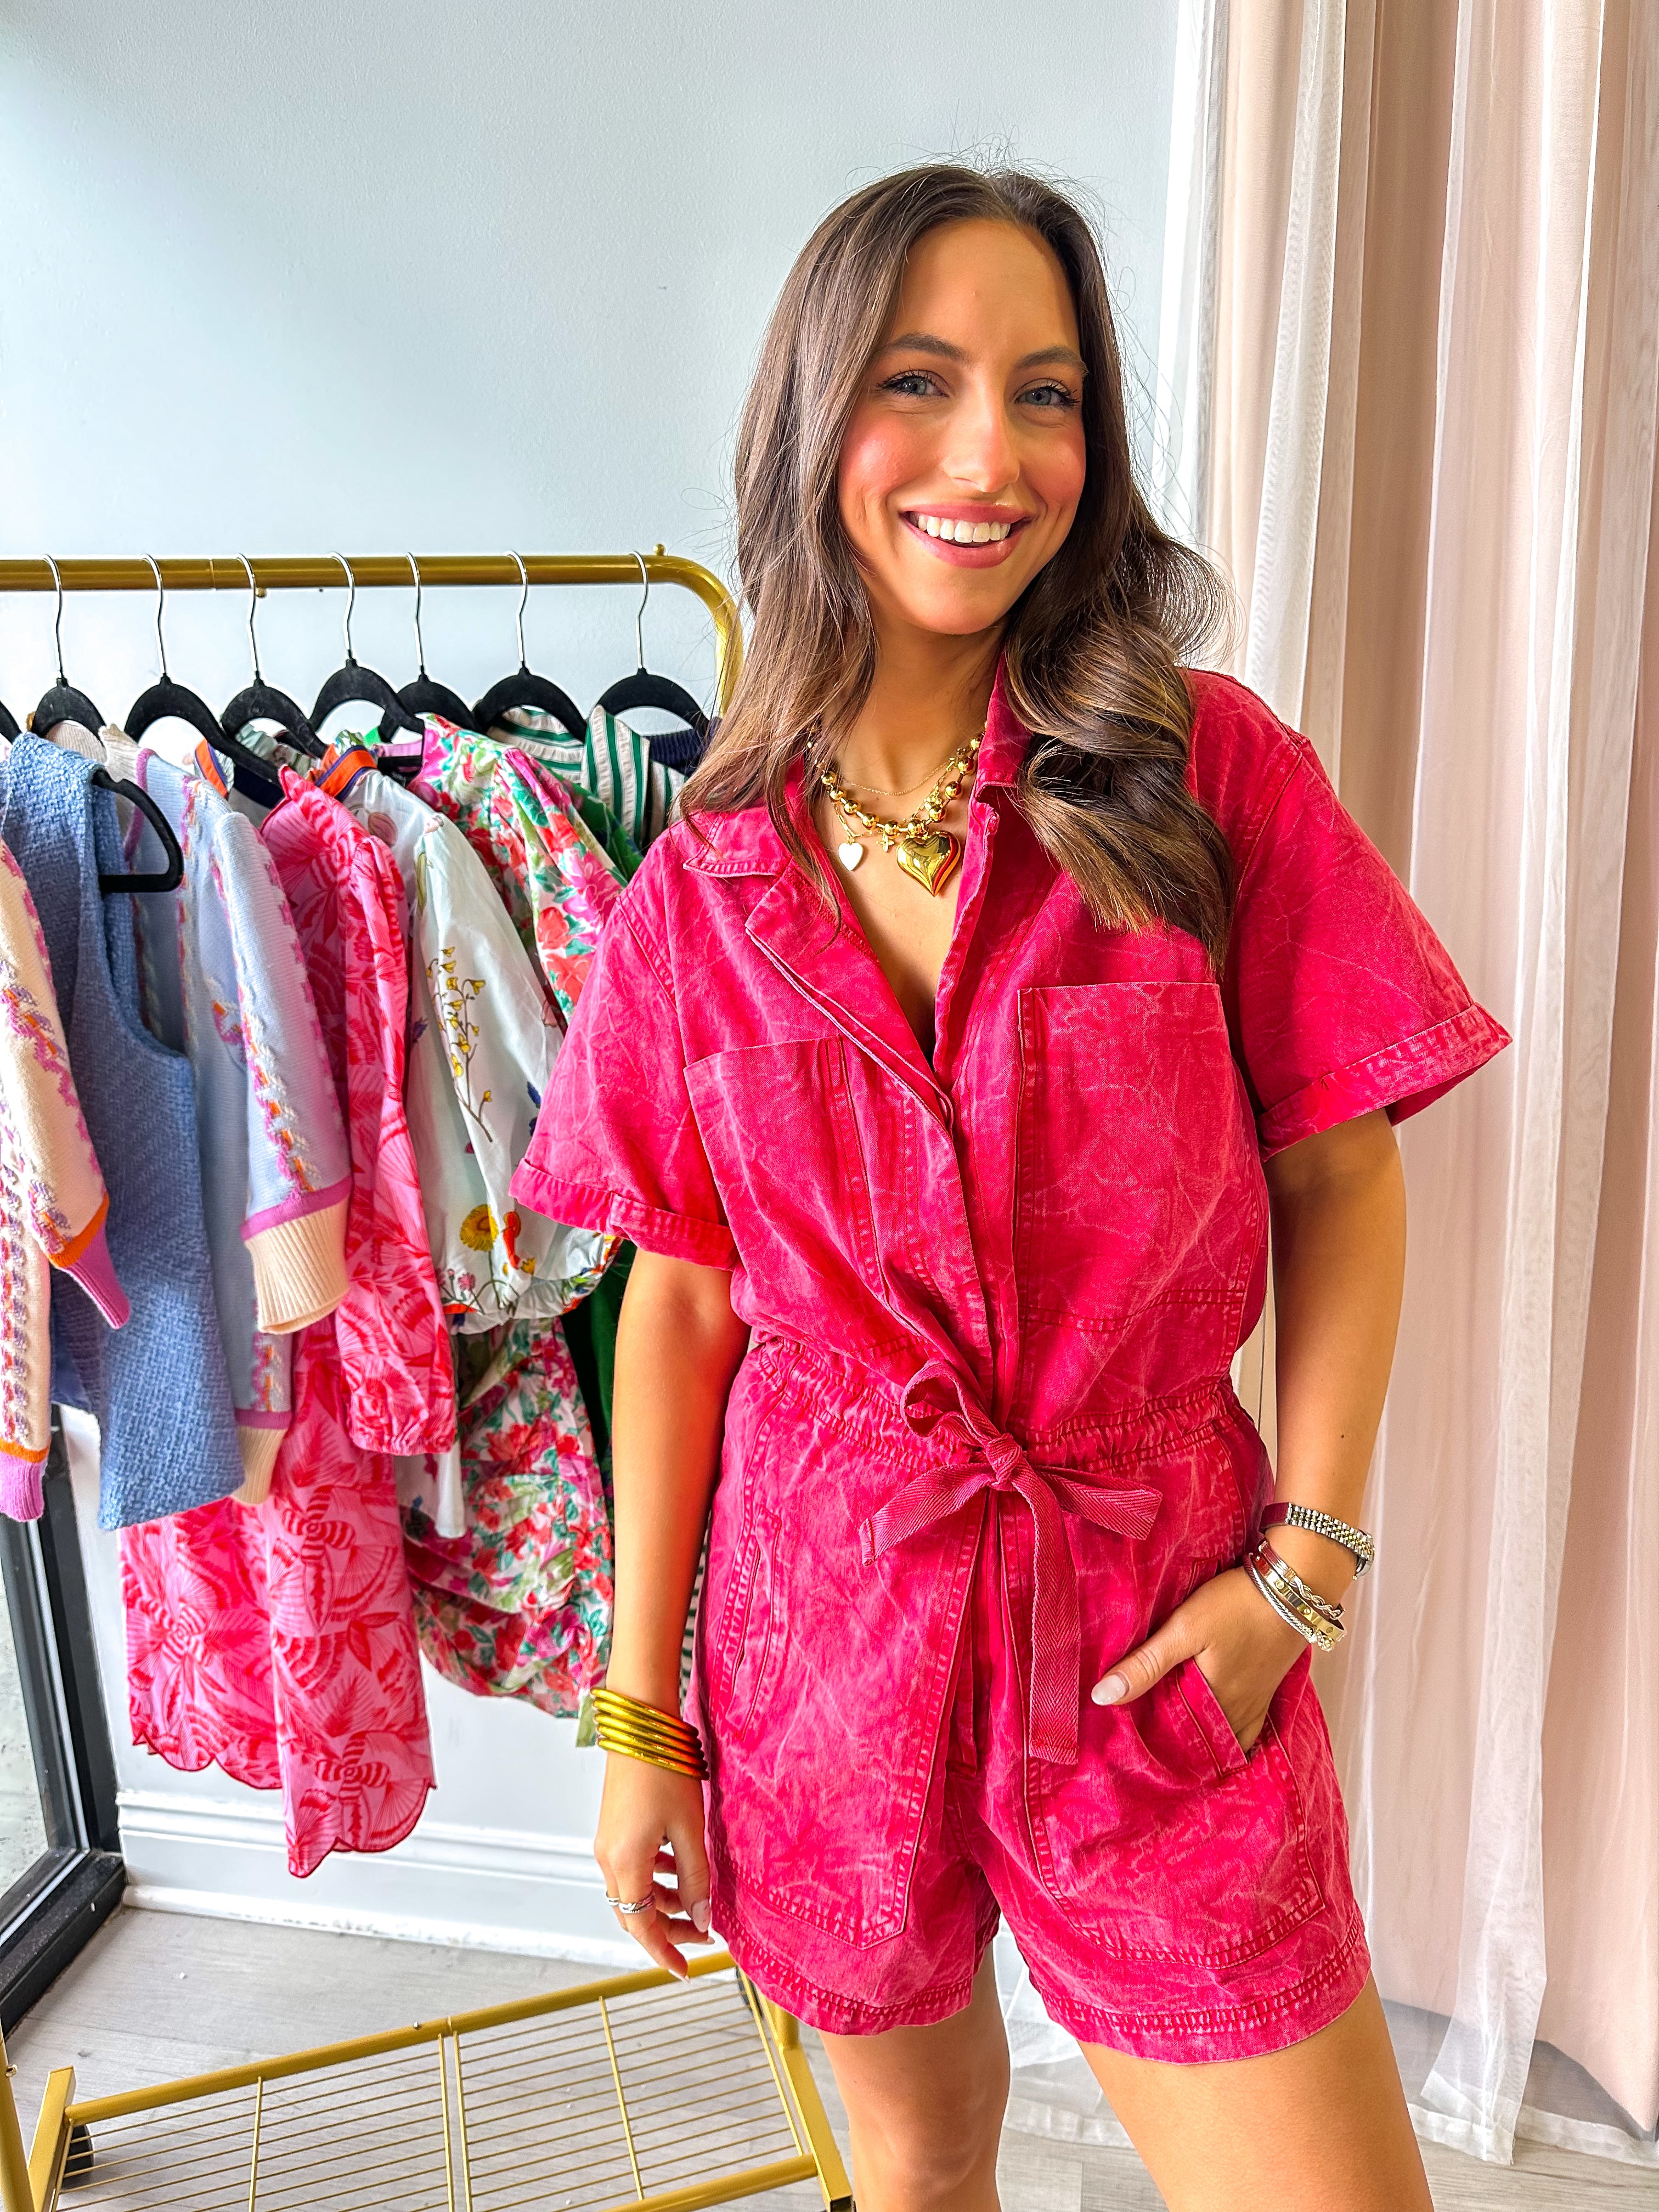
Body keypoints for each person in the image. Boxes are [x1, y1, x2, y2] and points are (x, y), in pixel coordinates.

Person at [510, 164, 1507, 2212]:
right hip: (823, 1639)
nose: (991, 456)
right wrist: (640, 1721)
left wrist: (1298, 1569)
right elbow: (681, 1309)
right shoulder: (701, 881)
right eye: (922, 381)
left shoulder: (1209, 781)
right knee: (917, 2176)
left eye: (1046, 393)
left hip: (1156, 1631)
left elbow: (1341, 1178)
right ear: (815, 427)